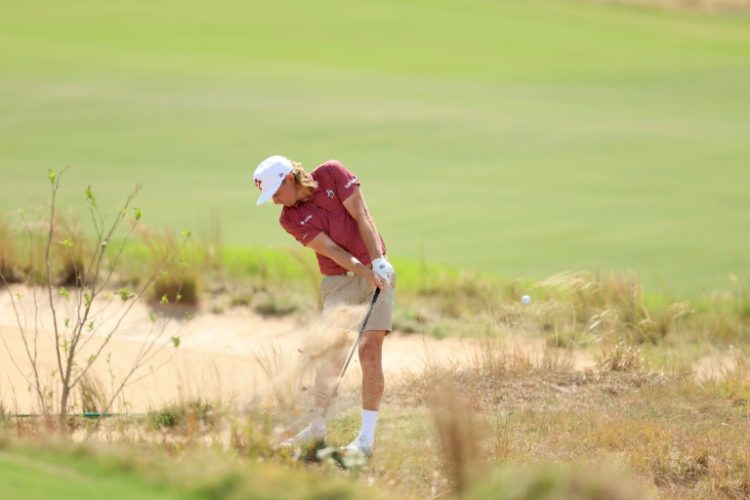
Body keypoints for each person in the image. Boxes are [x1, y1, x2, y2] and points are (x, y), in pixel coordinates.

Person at [252, 155, 395, 456]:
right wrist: (367, 272)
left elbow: (362, 215)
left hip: (377, 269)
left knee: (369, 351)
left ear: (289, 179)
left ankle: (366, 440)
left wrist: (379, 262)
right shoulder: (289, 219)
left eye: (276, 193)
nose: (276, 201)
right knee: (331, 354)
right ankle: (316, 427)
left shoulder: (332, 173)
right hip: (338, 282)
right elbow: (330, 250)